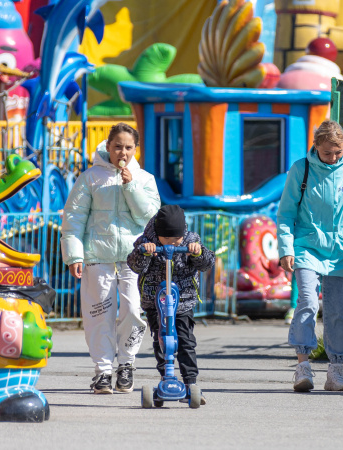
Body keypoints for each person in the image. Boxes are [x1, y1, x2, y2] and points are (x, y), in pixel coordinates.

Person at [61, 123, 160, 394]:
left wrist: (132, 187)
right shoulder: (90, 178)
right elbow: (73, 218)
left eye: (128, 147)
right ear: (108, 147)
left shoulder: (145, 179)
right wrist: (74, 255)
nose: (122, 152)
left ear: (135, 149)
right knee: (99, 315)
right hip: (97, 257)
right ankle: (103, 371)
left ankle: (126, 365)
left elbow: (151, 218)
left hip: (134, 259)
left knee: (132, 312)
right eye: (117, 146)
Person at [277, 119, 343, 392]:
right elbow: (286, 213)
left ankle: (337, 369)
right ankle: (302, 365)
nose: (333, 158)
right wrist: (286, 248)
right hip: (308, 246)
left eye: (338, 152)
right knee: (307, 301)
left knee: (340, 312)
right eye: (327, 153)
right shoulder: (301, 169)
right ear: (316, 147)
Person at [127, 204, 215, 404]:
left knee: (185, 341)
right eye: (168, 240)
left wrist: (197, 253)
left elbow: (208, 263)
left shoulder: (191, 241)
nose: (173, 245)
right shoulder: (146, 241)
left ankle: (190, 382)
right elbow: (134, 265)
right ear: (158, 234)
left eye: (177, 240)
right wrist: (144, 253)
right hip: (155, 302)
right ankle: (165, 378)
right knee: (161, 340)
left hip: (182, 301)